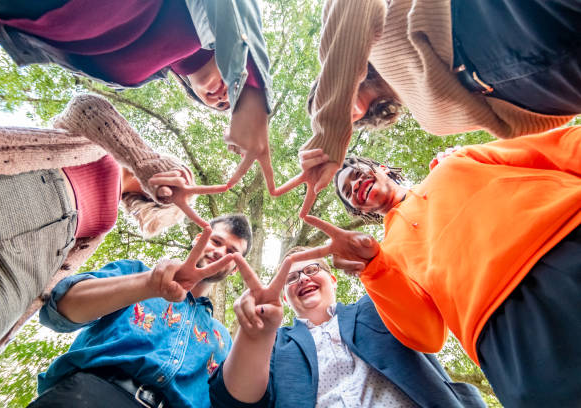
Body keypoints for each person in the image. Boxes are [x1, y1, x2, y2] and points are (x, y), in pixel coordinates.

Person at [297, 125, 581, 407]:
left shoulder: (454, 163)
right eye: (349, 192)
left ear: (383, 168)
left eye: (358, 175)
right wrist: (372, 268)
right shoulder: (386, 259)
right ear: (360, 211)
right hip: (504, 334)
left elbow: (558, 147)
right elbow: (428, 336)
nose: (356, 185)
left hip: (566, 244)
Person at [0, 94, 222, 382]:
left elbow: (59, 291)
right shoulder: (96, 148)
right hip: (10, 190)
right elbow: (86, 106)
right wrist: (147, 162)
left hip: (29, 265)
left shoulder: (105, 223)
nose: (176, 184)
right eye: (178, 177)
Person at [277, 0, 581, 215]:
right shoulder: (426, 117)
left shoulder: (362, 31)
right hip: (548, 90)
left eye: (324, 103)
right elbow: (502, 121)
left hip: (489, 23)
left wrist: (328, 126)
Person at [0, 0, 278, 193]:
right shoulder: (207, 20)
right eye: (231, 99)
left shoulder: (136, 79)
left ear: (193, 94)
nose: (224, 98)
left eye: (221, 106)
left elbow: (31, 40)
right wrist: (250, 96)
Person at [209, 248, 485, 407]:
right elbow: (236, 399)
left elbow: (429, 282)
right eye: (291, 278)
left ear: (333, 279)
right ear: (284, 296)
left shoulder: (376, 305)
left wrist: (375, 262)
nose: (303, 278)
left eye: (311, 269)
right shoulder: (274, 343)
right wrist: (255, 334)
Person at [28, 214, 252, 408]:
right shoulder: (134, 273)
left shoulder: (224, 340)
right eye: (216, 241)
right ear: (197, 239)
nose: (221, 252)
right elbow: (60, 309)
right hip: (90, 395)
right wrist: (147, 285)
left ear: (234, 269)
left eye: (232, 252)